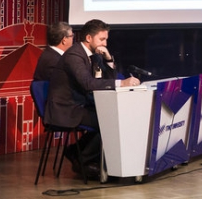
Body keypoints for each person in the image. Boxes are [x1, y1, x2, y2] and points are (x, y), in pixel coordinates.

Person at [45, 19, 140, 177]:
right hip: (66, 108)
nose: (105, 43)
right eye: (102, 39)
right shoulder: (74, 55)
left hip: (80, 105)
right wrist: (122, 83)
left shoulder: (94, 55)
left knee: (112, 118)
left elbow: (107, 79)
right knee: (109, 122)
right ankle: (83, 161)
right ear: (89, 38)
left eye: (106, 40)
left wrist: (108, 59)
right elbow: (88, 84)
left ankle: (76, 152)